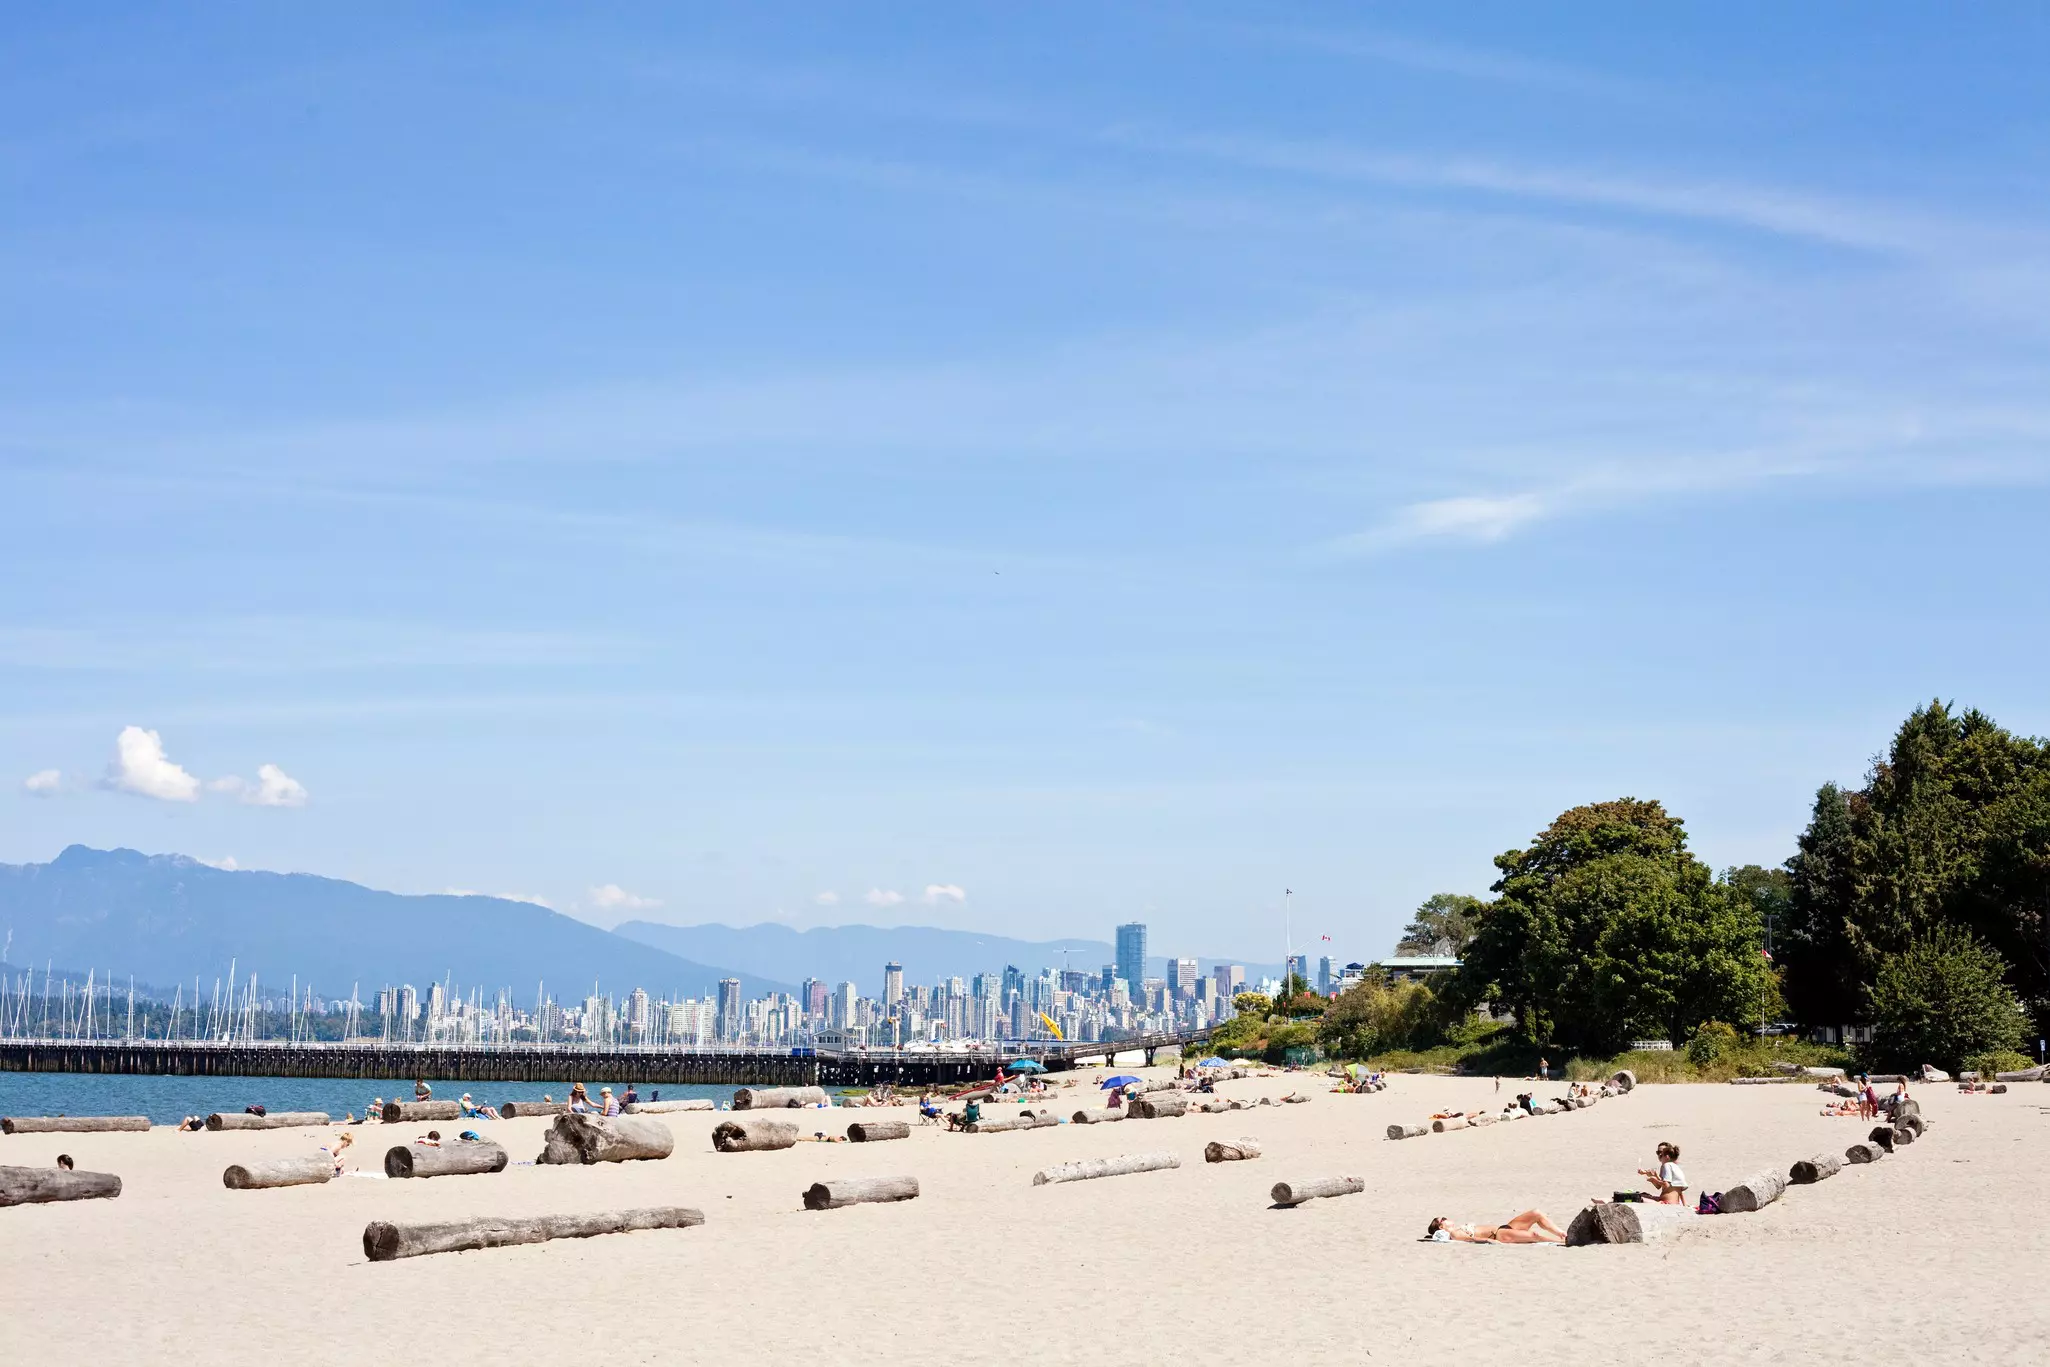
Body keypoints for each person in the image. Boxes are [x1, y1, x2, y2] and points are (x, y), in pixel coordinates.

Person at [1427, 1211, 1566, 1244]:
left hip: (1504, 1227)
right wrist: (1490, 1241)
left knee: (1536, 1213)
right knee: (1534, 1236)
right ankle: (1561, 1243)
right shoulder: (1455, 1234)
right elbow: (1472, 1239)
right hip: (1498, 1235)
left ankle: (1562, 1234)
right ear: (1441, 1227)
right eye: (1443, 1219)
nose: (1447, 1219)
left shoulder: (1458, 1228)